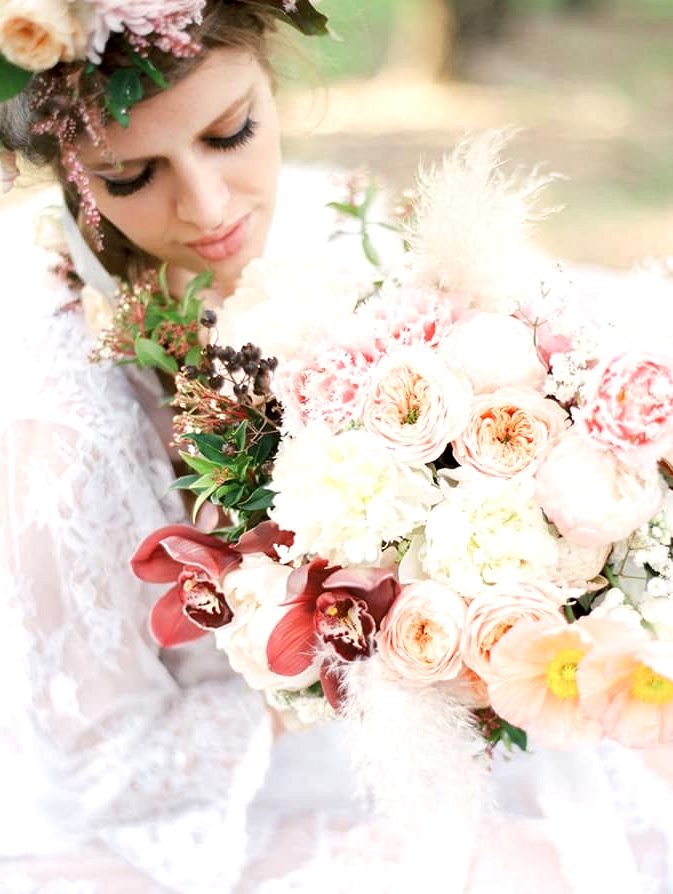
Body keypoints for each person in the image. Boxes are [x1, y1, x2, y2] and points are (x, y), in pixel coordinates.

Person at [0, 3, 672, 893]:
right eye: (131, 176)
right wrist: (354, 657)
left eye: (232, 131)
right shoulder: (70, 443)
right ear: (71, 173)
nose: (206, 206)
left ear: (272, 86)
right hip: (262, 799)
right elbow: (112, 767)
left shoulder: (340, 233)